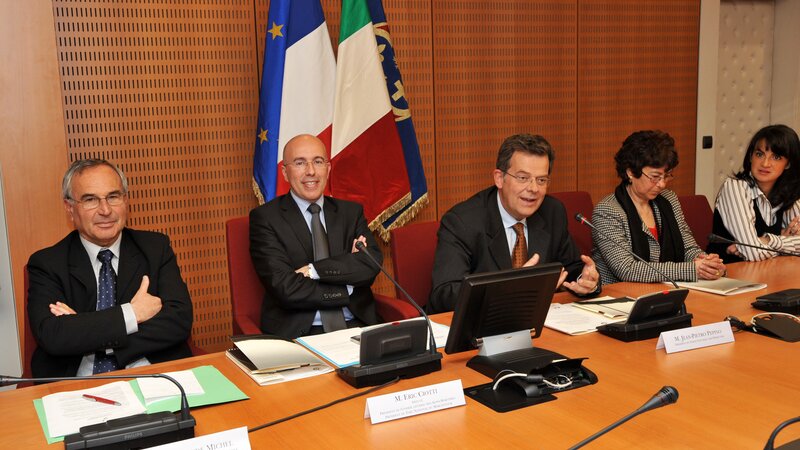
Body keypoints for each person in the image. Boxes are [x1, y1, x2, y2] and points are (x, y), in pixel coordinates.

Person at [27, 159, 193, 379]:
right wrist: (132, 314)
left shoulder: (155, 248)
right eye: (90, 200)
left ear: (125, 200)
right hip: (77, 383)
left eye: (113, 197)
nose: (105, 210)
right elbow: (54, 335)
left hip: (151, 376)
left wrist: (86, 332)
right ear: (70, 207)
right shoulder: (47, 263)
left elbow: (179, 321)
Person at [429, 133, 601, 313]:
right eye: (523, 178)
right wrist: (510, 290)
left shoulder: (552, 212)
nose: (533, 189)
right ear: (499, 178)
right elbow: (445, 294)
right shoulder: (463, 222)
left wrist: (585, 280)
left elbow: (572, 267)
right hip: (483, 322)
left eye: (541, 180)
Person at [249, 134, 382, 339]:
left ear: (328, 169)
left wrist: (314, 271)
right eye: (300, 163)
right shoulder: (266, 219)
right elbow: (285, 288)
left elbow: (370, 265)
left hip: (357, 324)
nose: (311, 171)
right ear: (285, 172)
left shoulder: (350, 212)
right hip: (299, 333)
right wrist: (347, 286)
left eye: (318, 162)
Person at [591, 130, 725, 285]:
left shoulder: (669, 200)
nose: (662, 184)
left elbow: (688, 248)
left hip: (665, 289)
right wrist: (692, 269)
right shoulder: (607, 211)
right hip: (620, 294)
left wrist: (707, 263)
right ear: (630, 172)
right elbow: (627, 269)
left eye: (666, 176)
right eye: (655, 177)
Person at [709, 125, 800, 262]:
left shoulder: (788, 192)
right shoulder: (735, 188)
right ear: (751, 156)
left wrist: (766, 240)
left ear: (788, 164)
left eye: (776, 157)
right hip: (728, 272)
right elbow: (753, 252)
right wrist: (784, 242)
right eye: (759, 154)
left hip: (768, 270)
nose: (765, 163)